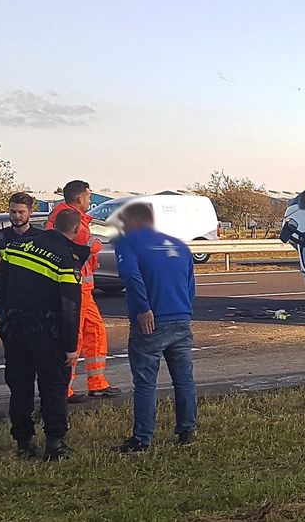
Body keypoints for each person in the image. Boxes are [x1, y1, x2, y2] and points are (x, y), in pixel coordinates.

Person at [0, 207, 84, 460]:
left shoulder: (17, 246)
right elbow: (69, 307)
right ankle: (55, 444)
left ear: (51, 225)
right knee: (53, 387)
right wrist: (70, 346)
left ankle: (24, 442)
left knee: (20, 386)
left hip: (14, 328)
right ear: (77, 230)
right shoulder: (66, 258)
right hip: (47, 332)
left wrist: (5, 322)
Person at [115, 202, 198, 452]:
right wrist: (184, 309)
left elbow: (131, 276)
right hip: (181, 317)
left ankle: (143, 437)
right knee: (183, 379)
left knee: (145, 381)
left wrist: (143, 308)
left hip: (152, 321)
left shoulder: (129, 242)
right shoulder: (178, 245)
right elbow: (190, 283)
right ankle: (187, 430)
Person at [47, 180, 120, 402]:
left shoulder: (64, 215)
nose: (90, 201)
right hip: (76, 287)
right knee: (74, 337)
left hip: (82, 288)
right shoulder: (70, 219)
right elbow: (87, 243)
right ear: (79, 198)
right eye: (89, 197)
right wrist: (95, 245)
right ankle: (65, 388)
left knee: (93, 332)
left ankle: (96, 382)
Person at [0, 192, 44, 309]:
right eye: (13, 212)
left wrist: (6, 262)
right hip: (6, 300)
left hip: (34, 300)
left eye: (21, 212)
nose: (16, 216)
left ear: (30, 213)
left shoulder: (41, 237)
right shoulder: (0, 236)